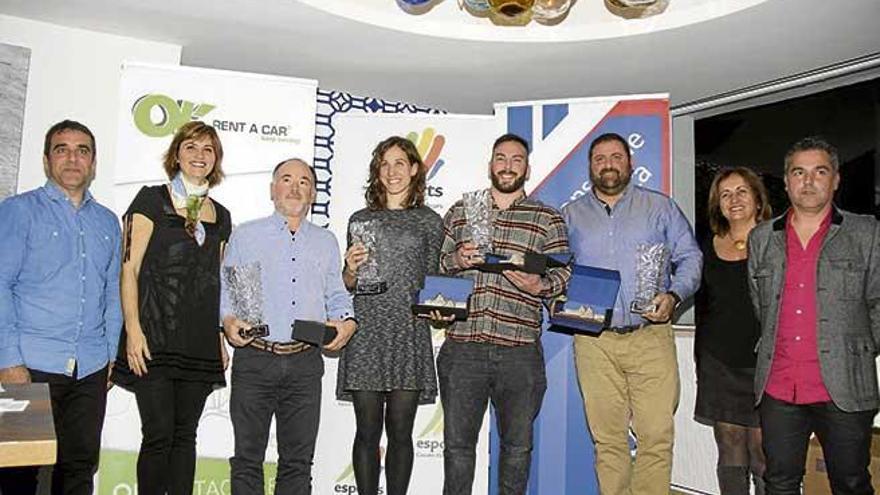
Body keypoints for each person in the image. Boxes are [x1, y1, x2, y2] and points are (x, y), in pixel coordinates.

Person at [562, 132, 702, 495]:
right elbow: (558, 271)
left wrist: (674, 295)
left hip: (650, 336)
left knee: (656, 434)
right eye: (600, 158)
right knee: (607, 439)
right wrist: (556, 297)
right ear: (591, 167)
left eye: (616, 157)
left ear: (630, 163)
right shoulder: (571, 215)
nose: (608, 164)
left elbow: (690, 258)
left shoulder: (660, 207)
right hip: (594, 341)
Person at [437, 133, 571, 495]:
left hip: (520, 351)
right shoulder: (461, 210)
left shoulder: (547, 218)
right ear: (490, 163)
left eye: (516, 159)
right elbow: (436, 267)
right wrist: (456, 260)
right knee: (458, 449)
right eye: (501, 157)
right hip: (463, 347)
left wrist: (538, 285)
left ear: (527, 168)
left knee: (517, 449)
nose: (508, 165)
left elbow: (564, 273)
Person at [748, 137, 880, 495]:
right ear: (787, 181)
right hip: (778, 387)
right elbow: (761, 304)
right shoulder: (762, 238)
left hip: (844, 387)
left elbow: (878, 303)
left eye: (819, 171)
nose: (808, 181)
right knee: (778, 482)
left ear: (836, 179)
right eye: (799, 173)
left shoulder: (867, 233)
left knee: (851, 483)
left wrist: (859, 348)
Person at [0, 120, 122, 495]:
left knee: (77, 472)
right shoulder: (18, 211)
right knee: (18, 474)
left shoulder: (107, 222)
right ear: (46, 159)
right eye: (62, 149)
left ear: (93, 162)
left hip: (89, 369)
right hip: (29, 367)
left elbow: (112, 293)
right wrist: (8, 361)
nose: (72, 158)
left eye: (82, 150)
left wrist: (109, 356)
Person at [221, 158, 357, 494]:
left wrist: (347, 323)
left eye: (304, 181)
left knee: (298, 464)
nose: (295, 188)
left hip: (304, 364)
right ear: (272, 189)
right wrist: (227, 321)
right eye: (286, 179)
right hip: (255, 360)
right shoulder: (246, 235)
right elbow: (230, 295)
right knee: (247, 459)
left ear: (313, 192)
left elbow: (337, 296)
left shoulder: (326, 241)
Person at [110, 121, 231, 495]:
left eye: (208, 149)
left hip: (197, 342)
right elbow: (129, 268)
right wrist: (133, 330)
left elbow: (216, 282)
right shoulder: (150, 200)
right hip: (152, 336)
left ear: (216, 159)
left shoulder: (222, 216)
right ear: (176, 154)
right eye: (191, 147)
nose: (199, 156)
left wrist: (219, 339)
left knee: (185, 436)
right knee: (158, 434)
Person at [337, 136, 442, 495]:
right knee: (366, 431)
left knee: (401, 432)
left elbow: (435, 280)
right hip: (366, 333)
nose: (392, 171)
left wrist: (442, 310)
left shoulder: (430, 221)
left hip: (408, 332)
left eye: (400, 163)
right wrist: (349, 269)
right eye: (385, 164)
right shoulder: (359, 219)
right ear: (377, 172)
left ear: (414, 169)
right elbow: (348, 284)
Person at [694, 167, 771, 495]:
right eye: (725, 194)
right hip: (718, 359)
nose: (734, 199)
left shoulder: (777, 240)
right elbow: (702, 303)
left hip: (767, 362)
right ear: (717, 204)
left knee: (763, 448)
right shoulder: (704, 246)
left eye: (741, 191)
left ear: (756, 198)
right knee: (729, 443)